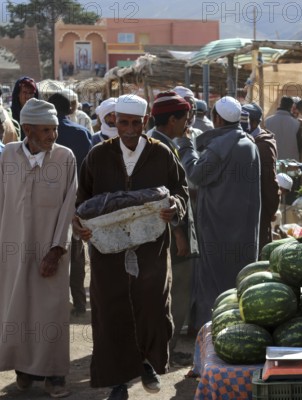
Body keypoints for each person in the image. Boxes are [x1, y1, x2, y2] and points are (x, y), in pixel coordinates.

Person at [73, 94, 188, 400]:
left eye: (134, 123)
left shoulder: (162, 153)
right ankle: (118, 381)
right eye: (122, 122)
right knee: (112, 310)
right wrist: (83, 227)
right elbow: (82, 200)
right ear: (113, 121)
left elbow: (180, 190)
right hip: (107, 249)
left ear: (144, 123)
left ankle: (147, 363)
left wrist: (174, 207)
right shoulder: (98, 155)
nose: (128, 129)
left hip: (150, 246)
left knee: (151, 305)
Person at [0, 98, 77, 398]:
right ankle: (24, 369)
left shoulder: (65, 158)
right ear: (27, 130)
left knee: (52, 311)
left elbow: (69, 204)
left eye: (55, 129)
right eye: (45, 131)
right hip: (12, 249)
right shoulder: (7, 156)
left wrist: (56, 250)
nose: (52, 136)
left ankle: (55, 376)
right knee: (18, 308)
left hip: (51, 250)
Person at [174, 96, 261, 330]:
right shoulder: (249, 143)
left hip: (216, 228)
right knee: (237, 280)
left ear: (217, 118)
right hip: (242, 229)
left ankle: (210, 333)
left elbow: (195, 174)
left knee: (212, 283)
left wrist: (184, 145)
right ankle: (237, 329)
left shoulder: (220, 147)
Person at [147, 91, 199, 352]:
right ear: (171, 121)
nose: (187, 124)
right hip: (171, 232)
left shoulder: (160, 142)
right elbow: (164, 195)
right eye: (184, 119)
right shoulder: (161, 147)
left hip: (167, 230)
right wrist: (179, 233)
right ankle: (165, 349)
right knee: (177, 290)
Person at [47, 92, 93, 318]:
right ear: (70, 109)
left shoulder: (43, 134)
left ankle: (55, 303)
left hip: (48, 204)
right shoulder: (82, 133)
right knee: (75, 254)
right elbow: (89, 171)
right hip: (77, 202)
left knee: (50, 249)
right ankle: (80, 302)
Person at [242, 102, 280, 251]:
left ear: (253, 122)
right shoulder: (244, 139)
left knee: (258, 249)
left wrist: (271, 209)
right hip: (242, 207)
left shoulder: (263, 145)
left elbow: (270, 180)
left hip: (259, 207)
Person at [264, 95, 301, 161]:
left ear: (280, 105)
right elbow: (300, 145)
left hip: (271, 160)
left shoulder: (267, 121)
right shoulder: (297, 124)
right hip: (290, 163)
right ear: (291, 107)